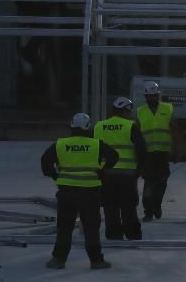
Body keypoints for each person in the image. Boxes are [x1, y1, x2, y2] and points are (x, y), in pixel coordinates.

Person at [41, 112, 117, 269]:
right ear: (88, 127)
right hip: (90, 193)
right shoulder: (96, 144)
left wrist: (56, 175)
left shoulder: (60, 144)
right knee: (91, 228)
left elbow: (45, 161)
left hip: (66, 193)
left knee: (64, 227)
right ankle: (96, 261)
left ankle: (58, 259)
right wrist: (103, 172)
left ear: (72, 126)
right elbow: (114, 156)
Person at [93, 97, 146, 240]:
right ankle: (133, 234)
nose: (130, 115)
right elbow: (142, 149)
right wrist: (141, 169)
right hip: (127, 174)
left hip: (106, 174)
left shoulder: (99, 126)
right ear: (125, 111)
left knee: (110, 206)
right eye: (129, 112)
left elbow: (94, 150)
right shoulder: (130, 126)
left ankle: (113, 234)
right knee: (128, 207)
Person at [137, 80, 176, 222]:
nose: (153, 98)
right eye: (150, 96)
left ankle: (156, 205)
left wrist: (175, 150)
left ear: (158, 95)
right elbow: (137, 135)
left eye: (155, 95)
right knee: (149, 181)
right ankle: (148, 211)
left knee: (162, 181)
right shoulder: (140, 112)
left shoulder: (168, 109)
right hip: (148, 154)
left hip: (163, 152)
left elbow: (174, 131)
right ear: (146, 97)